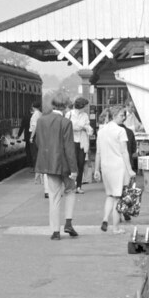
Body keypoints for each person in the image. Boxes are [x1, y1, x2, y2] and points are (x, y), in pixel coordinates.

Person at [33, 92, 79, 240]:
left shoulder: (41, 121)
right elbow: (69, 148)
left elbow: (38, 143)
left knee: (53, 197)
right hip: (65, 165)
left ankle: (55, 231)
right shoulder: (66, 122)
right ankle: (68, 223)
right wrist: (74, 169)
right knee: (71, 190)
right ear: (66, 106)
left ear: (53, 104)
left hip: (49, 164)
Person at [93, 105, 134, 234]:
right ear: (115, 115)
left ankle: (105, 218)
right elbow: (124, 152)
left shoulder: (101, 131)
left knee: (110, 195)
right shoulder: (120, 131)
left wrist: (96, 169)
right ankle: (115, 228)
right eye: (122, 115)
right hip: (118, 167)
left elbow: (98, 153)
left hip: (106, 167)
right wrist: (130, 169)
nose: (124, 118)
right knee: (118, 198)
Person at [66, 97, 93, 193]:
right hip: (71, 141)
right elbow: (70, 127)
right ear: (81, 106)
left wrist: (88, 128)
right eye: (85, 106)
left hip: (82, 141)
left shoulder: (85, 115)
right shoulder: (69, 114)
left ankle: (78, 186)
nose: (86, 108)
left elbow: (86, 126)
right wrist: (83, 126)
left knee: (81, 163)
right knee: (71, 164)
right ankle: (70, 185)